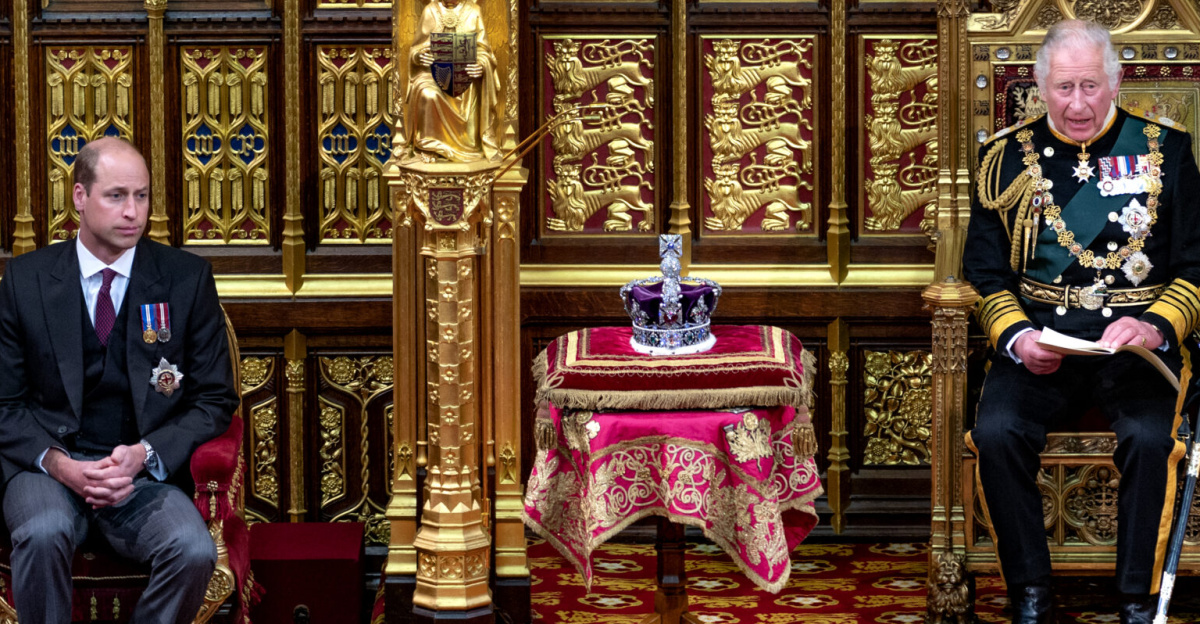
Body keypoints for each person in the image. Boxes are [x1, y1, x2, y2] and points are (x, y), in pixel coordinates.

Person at [963, 19, 1200, 624]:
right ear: (1040, 87)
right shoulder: (1003, 160)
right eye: (1063, 88)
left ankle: (1135, 598)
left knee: (1151, 439)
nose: (1077, 105)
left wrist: (1154, 326)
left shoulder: (1166, 151)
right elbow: (986, 272)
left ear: (1115, 81)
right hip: (1041, 342)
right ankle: (1032, 592)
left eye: (1090, 87)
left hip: (1136, 349)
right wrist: (1016, 337)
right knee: (997, 432)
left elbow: (1196, 266)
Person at [0, 137, 239, 624]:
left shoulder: (184, 279)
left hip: (139, 474)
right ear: (80, 197)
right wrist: (62, 465)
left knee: (193, 551)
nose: (133, 212)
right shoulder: (25, 281)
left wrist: (142, 455)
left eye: (142, 196)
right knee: (43, 533)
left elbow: (214, 399)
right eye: (116, 196)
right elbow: (5, 403)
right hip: (47, 470)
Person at [399, 0, 502, 163]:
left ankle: (468, 146)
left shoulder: (473, 11)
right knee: (426, 93)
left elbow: (484, 50)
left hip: (465, 79)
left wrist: (481, 65)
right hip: (433, 75)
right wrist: (419, 57)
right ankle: (430, 146)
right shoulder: (430, 11)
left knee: (469, 91)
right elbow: (415, 49)